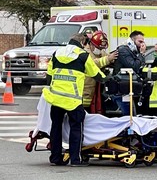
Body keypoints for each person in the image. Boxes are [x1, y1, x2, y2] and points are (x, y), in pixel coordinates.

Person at [42, 33, 107, 167]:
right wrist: (108, 79)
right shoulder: (83, 55)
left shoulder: (57, 53)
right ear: (83, 43)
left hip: (56, 97)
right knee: (76, 127)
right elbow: (96, 74)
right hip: (73, 100)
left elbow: (49, 76)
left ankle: (55, 157)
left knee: (56, 127)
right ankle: (75, 159)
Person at [112, 30, 146, 116]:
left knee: (131, 115)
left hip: (128, 88)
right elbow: (134, 66)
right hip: (121, 89)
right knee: (127, 116)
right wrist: (141, 54)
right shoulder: (123, 50)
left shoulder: (132, 52)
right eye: (140, 41)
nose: (142, 44)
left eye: (143, 42)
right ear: (132, 41)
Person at [82, 30, 118, 113]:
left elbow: (105, 56)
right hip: (85, 87)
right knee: (85, 110)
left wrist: (112, 59)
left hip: (95, 87)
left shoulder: (99, 50)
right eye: (99, 48)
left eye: (102, 48)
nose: (100, 50)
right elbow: (93, 63)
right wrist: (108, 59)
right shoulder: (85, 52)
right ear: (91, 44)